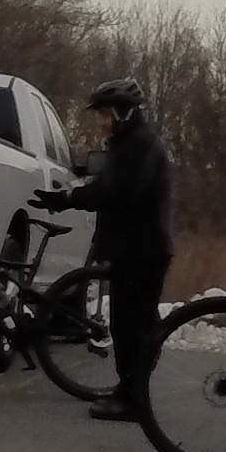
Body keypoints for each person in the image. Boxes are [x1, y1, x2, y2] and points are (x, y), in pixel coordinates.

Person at [33, 78, 173, 423]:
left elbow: (117, 192)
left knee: (131, 326)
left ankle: (134, 399)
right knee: (128, 324)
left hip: (142, 249)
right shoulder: (129, 144)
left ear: (124, 112)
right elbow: (109, 187)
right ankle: (128, 389)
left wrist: (69, 199)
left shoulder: (139, 145)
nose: (101, 121)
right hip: (134, 247)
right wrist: (69, 199)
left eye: (105, 114)